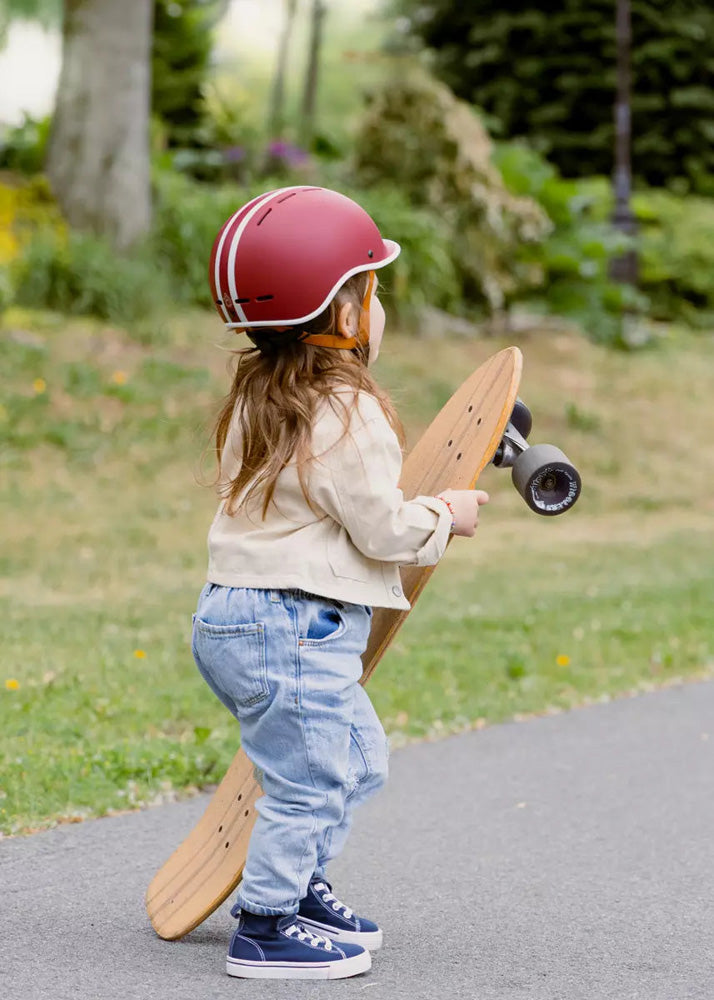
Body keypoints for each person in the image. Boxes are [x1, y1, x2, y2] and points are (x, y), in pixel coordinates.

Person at [192, 186, 489, 980]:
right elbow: (382, 529)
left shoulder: (259, 392)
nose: (378, 305)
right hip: (292, 624)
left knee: (355, 757)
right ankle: (266, 925)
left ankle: (300, 883)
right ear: (342, 312)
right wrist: (445, 514)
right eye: (371, 289)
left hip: (234, 617)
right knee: (316, 775)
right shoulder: (346, 410)